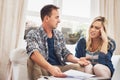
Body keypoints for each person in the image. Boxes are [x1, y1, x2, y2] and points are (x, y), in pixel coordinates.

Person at [25, 4, 90, 80]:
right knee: (32, 60)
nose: (59, 21)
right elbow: (33, 52)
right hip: (44, 68)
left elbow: (65, 53)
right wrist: (50, 68)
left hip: (59, 68)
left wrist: (78, 60)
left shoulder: (59, 35)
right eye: (56, 17)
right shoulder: (33, 34)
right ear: (46, 18)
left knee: (78, 66)